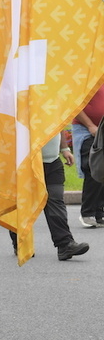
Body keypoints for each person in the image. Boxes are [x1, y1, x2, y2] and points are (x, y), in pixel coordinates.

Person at [10, 131, 89, 261]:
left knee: (55, 201)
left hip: (52, 161)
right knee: (23, 204)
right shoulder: (19, 109)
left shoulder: (51, 109)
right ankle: (21, 242)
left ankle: (65, 244)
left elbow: (58, 123)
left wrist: (64, 149)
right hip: (25, 161)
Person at [70, 84, 104, 228]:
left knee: (102, 169)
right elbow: (74, 104)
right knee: (93, 166)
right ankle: (87, 212)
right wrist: (90, 125)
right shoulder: (87, 77)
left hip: (100, 128)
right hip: (86, 129)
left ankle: (98, 213)